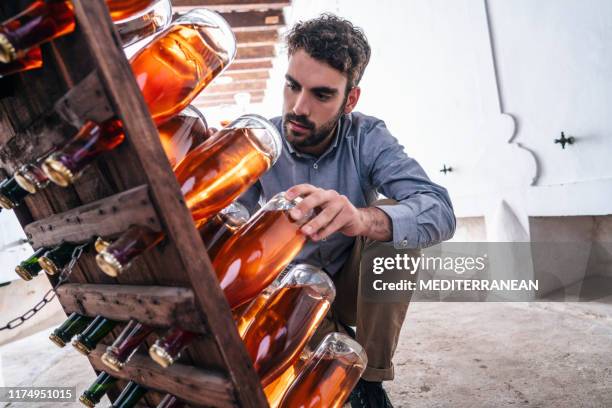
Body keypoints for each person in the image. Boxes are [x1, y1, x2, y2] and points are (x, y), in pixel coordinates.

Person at [237, 13, 456, 408]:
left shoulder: (368, 136)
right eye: (292, 87)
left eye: (321, 95)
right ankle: (326, 341)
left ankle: (369, 382)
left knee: (393, 225)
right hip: (290, 294)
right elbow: (225, 224)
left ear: (349, 100)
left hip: (355, 289)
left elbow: (439, 209)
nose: (298, 107)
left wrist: (361, 219)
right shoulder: (257, 146)